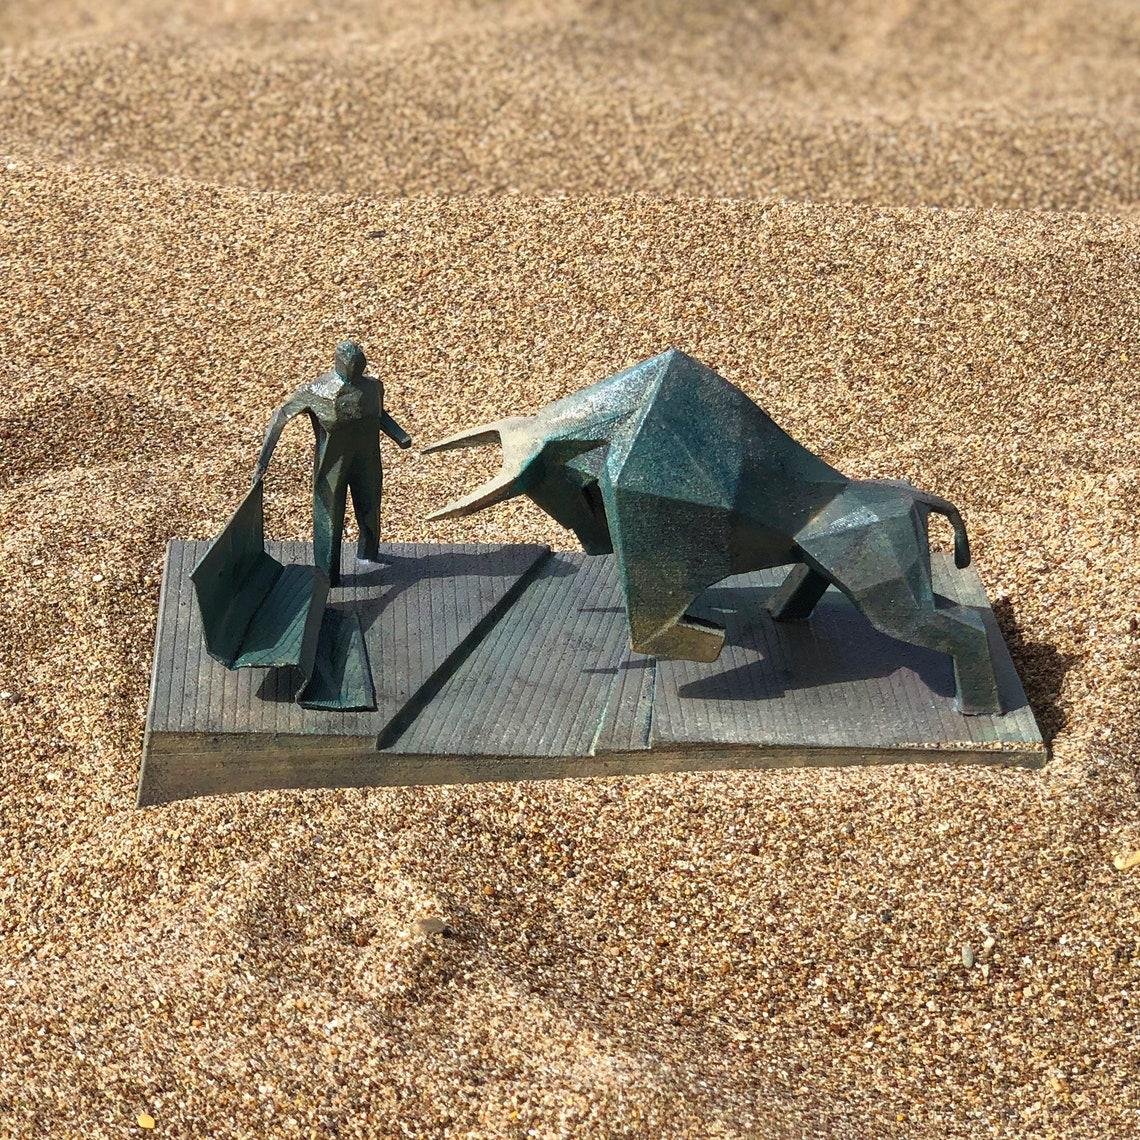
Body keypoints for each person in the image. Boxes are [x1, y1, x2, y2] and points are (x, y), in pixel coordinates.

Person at [255, 340, 412, 585]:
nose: (355, 369)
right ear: (339, 363)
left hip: (368, 462)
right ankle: (327, 574)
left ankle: (369, 553)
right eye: (351, 365)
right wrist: (263, 461)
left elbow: (379, 414)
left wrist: (399, 435)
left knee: (370, 510)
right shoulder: (317, 391)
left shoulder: (373, 387)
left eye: (359, 365)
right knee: (329, 518)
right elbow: (281, 416)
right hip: (332, 467)